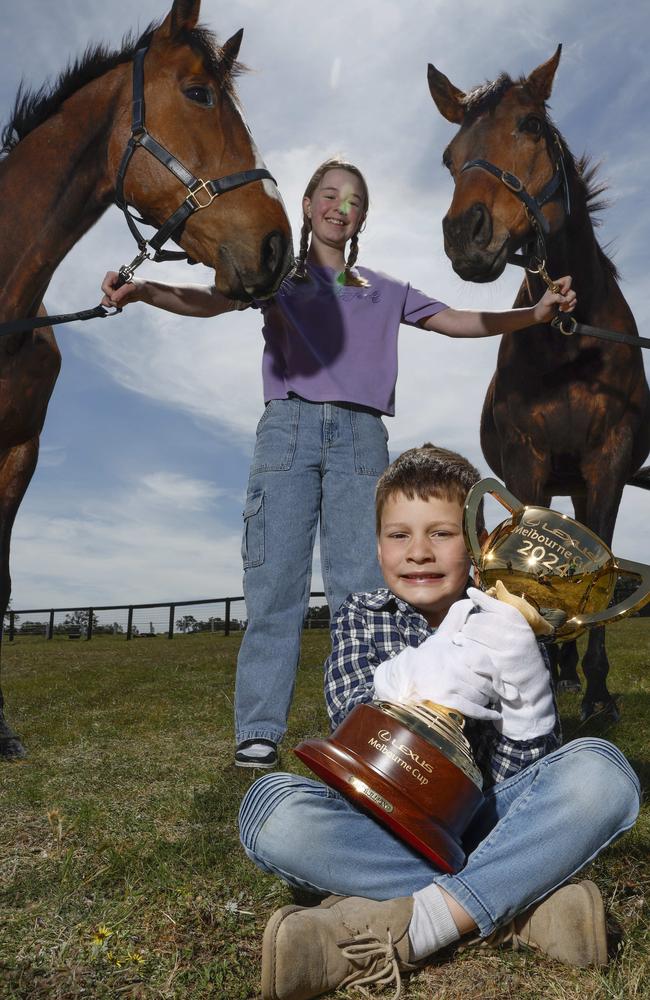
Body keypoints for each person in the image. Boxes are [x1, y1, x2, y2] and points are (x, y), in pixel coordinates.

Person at [100, 158, 577, 770]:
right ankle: (258, 729)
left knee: (367, 590)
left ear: (362, 219)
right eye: (329, 195)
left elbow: (458, 320)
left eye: (353, 200)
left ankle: (371, 721)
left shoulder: (386, 290)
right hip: (288, 433)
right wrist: (142, 290)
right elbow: (207, 301)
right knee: (275, 584)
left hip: (360, 438)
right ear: (305, 205)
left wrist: (533, 315)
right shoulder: (277, 279)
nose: (339, 207)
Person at [238, 444, 640, 1000]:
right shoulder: (362, 614)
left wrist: (526, 698)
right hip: (386, 821)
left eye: (442, 534)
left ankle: (410, 923)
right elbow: (360, 723)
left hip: (487, 817)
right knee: (271, 811)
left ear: (478, 545)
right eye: (399, 535)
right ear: (378, 546)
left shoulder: (512, 620)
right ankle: (518, 904)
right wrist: (451, 653)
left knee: (603, 773)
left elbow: (526, 769)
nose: (418, 553)